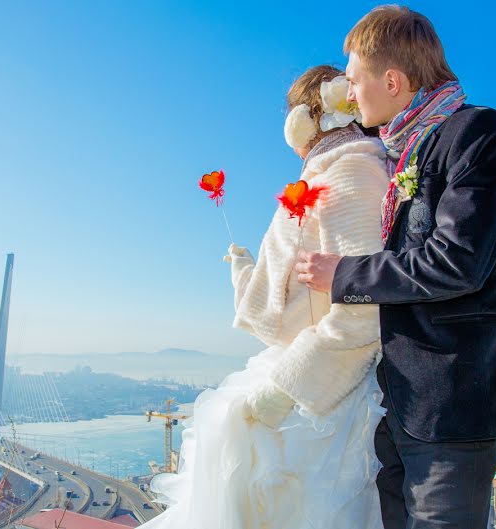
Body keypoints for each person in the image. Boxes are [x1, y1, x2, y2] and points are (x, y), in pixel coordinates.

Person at [294, 6, 496, 528]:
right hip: (398, 402)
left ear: (392, 80)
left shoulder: (477, 133)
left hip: (455, 405)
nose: (349, 94)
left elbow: (457, 263)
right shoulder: (398, 151)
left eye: (355, 81)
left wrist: (343, 274)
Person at [138, 65, 390, 529]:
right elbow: (292, 297)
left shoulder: (353, 170)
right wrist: (245, 271)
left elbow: (364, 308)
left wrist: (287, 388)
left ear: (308, 117)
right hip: (305, 382)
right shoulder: (328, 171)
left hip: (322, 399)